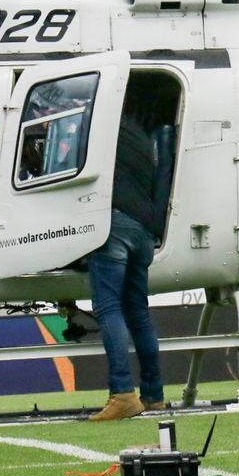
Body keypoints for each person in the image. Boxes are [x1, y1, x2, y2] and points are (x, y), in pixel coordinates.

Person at [86, 88, 168, 422]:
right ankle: (154, 395)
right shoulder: (139, 133)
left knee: (109, 308)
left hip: (114, 224)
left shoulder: (100, 127)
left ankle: (122, 394)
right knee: (138, 311)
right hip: (143, 228)